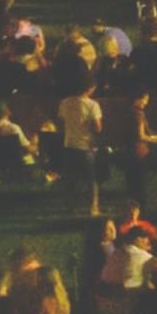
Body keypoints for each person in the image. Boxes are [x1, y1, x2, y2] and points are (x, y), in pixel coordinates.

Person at [58, 82, 103, 216]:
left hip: (69, 144)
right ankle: (93, 207)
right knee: (91, 178)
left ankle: (69, 206)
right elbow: (98, 128)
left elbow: (60, 123)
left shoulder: (64, 102)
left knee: (70, 178)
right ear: (89, 88)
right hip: (86, 145)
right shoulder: (92, 105)